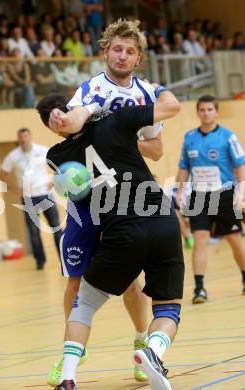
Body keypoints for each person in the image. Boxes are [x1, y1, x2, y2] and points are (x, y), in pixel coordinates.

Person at [36, 89, 183, 390]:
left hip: (118, 223)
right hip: (160, 217)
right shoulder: (119, 118)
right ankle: (151, 351)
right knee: (168, 306)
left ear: (74, 110)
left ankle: (70, 375)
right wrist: (155, 92)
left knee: (87, 302)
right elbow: (170, 110)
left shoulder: (59, 155)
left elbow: (154, 150)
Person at [46, 18, 165, 386]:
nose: (122, 55)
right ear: (106, 51)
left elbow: (157, 151)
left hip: (126, 199)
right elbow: (69, 125)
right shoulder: (89, 89)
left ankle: (142, 341)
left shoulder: (146, 96)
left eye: (130, 51)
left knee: (131, 283)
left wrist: (122, 137)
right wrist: (59, 119)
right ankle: (70, 355)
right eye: (117, 48)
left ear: (138, 58)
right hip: (87, 200)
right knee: (75, 281)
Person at [176, 94, 245, 304]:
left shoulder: (228, 136)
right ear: (197, 112)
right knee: (200, 239)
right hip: (198, 196)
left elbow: (240, 164)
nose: (206, 113)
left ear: (216, 112)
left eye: (210, 109)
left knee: (233, 239)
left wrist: (241, 192)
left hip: (223, 194)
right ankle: (199, 288)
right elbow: (184, 167)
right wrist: (180, 192)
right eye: (202, 110)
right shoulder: (189, 137)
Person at [0, 128, 62, 270]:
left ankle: (63, 258)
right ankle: (40, 261)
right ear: (18, 139)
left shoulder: (42, 150)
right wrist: (15, 189)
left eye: (26, 136)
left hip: (45, 194)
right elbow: (3, 174)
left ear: (30, 136)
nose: (23, 139)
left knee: (56, 227)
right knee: (33, 231)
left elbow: (58, 164)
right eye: (20, 137)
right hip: (28, 198)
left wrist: (54, 180)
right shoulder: (13, 156)